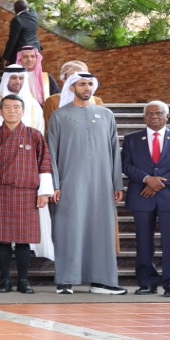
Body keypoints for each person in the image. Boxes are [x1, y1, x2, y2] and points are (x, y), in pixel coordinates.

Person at [47, 75, 125, 295]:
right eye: (82, 84)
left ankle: (101, 281)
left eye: (90, 84)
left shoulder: (106, 115)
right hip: (70, 182)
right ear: (72, 88)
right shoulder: (59, 116)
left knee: (102, 230)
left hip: (102, 184)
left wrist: (117, 184)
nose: (87, 88)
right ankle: (65, 280)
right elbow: (51, 152)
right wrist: (54, 184)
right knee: (68, 229)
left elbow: (114, 151)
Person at [0, 94, 52, 294]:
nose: (12, 111)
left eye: (16, 107)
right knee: (2, 239)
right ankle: (5, 280)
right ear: (0, 111)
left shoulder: (34, 136)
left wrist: (44, 192)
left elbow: (44, 164)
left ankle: (23, 280)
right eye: (8, 107)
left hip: (26, 192)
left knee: (23, 239)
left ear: (23, 111)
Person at [122, 101, 170, 297]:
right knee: (143, 242)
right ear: (144, 117)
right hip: (142, 195)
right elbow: (126, 165)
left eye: (159, 113)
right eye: (149, 113)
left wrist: (159, 183)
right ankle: (147, 283)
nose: (154, 116)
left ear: (167, 117)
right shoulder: (131, 139)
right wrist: (147, 179)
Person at [2, 0, 40, 67]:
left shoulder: (17, 20)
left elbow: (13, 40)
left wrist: (5, 57)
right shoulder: (34, 15)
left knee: (18, 71)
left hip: (23, 53)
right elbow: (29, 8)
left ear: (15, 9)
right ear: (26, 7)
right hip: (35, 51)